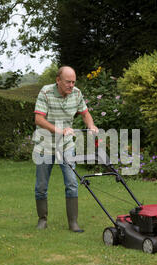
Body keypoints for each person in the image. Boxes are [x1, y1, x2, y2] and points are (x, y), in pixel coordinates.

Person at [32, 66, 98, 232]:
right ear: (58, 80)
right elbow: (39, 119)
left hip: (66, 145)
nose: (71, 85)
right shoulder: (46, 92)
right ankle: (42, 219)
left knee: (72, 183)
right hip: (45, 144)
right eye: (68, 82)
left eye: (73, 82)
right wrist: (59, 130)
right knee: (41, 186)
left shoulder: (76, 93)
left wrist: (91, 125)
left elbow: (84, 113)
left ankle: (73, 223)